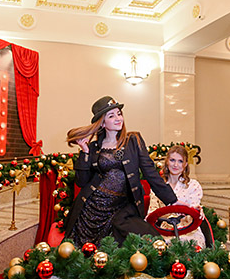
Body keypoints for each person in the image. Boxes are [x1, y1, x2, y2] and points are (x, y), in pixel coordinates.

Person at [63, 96, 185, 247]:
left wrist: (173, 201)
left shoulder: (134, 140)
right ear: (102, 122)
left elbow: (151, 173)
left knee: (151, 241)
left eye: (119, 113)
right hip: (92, 210)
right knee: (92, 256)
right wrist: (85, 152)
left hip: (122, 209)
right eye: (111, 115)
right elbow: (82, 182)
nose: (118, 118)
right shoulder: (94, 147)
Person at [147, 145, 206, 248]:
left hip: (188, 228)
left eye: (180, 161)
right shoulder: (158, 187)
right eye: (172, 160)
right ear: (167, 162)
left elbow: (193, 210)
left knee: (189, 243)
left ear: (185, 164)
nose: (175, 165)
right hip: (164, 228)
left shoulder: (193, 186)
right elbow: (151, 213)